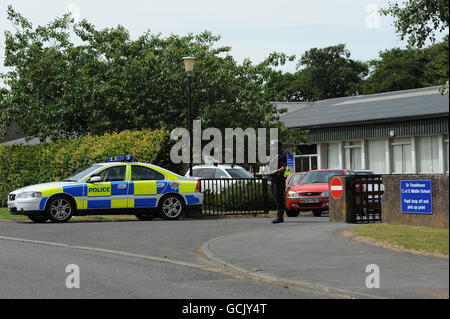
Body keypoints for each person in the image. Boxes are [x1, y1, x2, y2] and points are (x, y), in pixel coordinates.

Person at [267, 140, 287, 224]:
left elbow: (283, 168)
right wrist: (267, 167)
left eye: (273, 146)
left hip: (279, 180)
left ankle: (280, 217)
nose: (271, 148)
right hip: (273, 180)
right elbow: (267, 164)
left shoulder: (281, 156)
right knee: (276, 198)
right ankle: (279, 215)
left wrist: (274, 171)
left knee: (278, 198)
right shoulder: (272, 157)